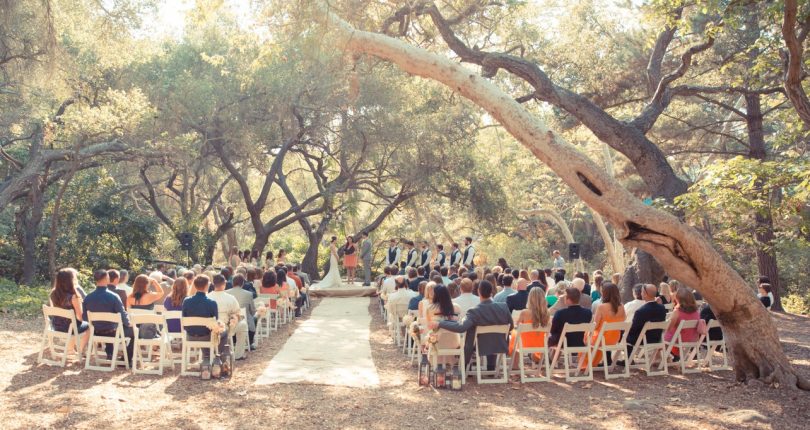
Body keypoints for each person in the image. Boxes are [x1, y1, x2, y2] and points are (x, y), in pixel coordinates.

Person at [430, 281, 511, 371]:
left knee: (472, 336)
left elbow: (461, 328)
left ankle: (464, 367)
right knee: (491, 337)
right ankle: (491, 368)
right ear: (491, 292)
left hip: (480, 347)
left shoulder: (474, 311)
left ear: (479, 292)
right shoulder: (504, 307)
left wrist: (440, 323)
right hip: (500, 344)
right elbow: (510, 326)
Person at [83, 269, 134, 365]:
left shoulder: (88, 297)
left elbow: (85, 318)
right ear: (107, 279)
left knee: (111, 325)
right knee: (134, 332)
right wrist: (129, 323)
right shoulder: (114, 296)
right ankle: (126, 359)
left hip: (95, 332)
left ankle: (110, 354)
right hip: (112, 332)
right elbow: (122, 315)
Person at [183, 275, 229, 376]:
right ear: (207, 286)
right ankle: (218, 357)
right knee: (224, 332)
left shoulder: (186, 301)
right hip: (206, 337)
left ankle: (207, 357)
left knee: (206, 331)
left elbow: (184, 322)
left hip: (190, 337)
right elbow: (215, 324)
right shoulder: (212, 303)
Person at [619, 284, 667, 365]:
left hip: (642, 340)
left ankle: (628, 360)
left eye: (641, 291)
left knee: (626, 335)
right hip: (657, 338)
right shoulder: (662, 308)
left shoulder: (641, 311)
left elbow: (634, 329)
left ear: (644, 294)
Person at [49, 268, 90, 354]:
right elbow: (80, 316)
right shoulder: (73, 297)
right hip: (69, 328)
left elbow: (53, 311)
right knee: (89, 326)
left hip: (55, 325)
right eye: (74, 278)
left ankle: (70, 348)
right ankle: (79, 349)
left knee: (75, 325)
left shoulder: (53, 293)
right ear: (70, 280)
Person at [209, 275, 247, 361]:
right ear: (224, 284)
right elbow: (238, 312)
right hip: (226, 328)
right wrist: (234, 318)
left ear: (213, 284)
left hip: (210, 328)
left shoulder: (208, 297)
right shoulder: (230, 298)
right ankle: (238, 355)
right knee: (243, 325)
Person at [508, 287, 550, 365]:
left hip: (525, 343)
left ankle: (515, 365)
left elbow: (517, 326)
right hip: (540, 343)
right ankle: (536, 357)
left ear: (530, 298)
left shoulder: (525, 313)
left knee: (514, 334)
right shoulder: (546, 314)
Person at [589, 282, 625, 365]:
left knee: (587, 335)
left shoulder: (601, 307)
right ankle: (605, 360)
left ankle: (592, 361)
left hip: (601, 339)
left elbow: (595, 325)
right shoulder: (621, 306)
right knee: (601, 334)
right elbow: (623, 320)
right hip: (615, 338)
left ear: (604, 293)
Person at [664, 287, 700, 359]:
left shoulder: (677, 312)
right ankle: (672, 355)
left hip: (677, 340)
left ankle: (662, 357)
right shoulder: (696, 312)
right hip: (691, 339)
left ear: (678, 299)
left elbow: (669, 327)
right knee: (673, 334)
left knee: (661, 336)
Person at [228, 274, 257, 351]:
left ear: (232, 283)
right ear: (242, 283)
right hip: (245, 322)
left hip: (230, 323)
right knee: (254, 318)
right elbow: (253, 311)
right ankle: (250, 342)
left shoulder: (226, 292)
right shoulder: (248, 294)